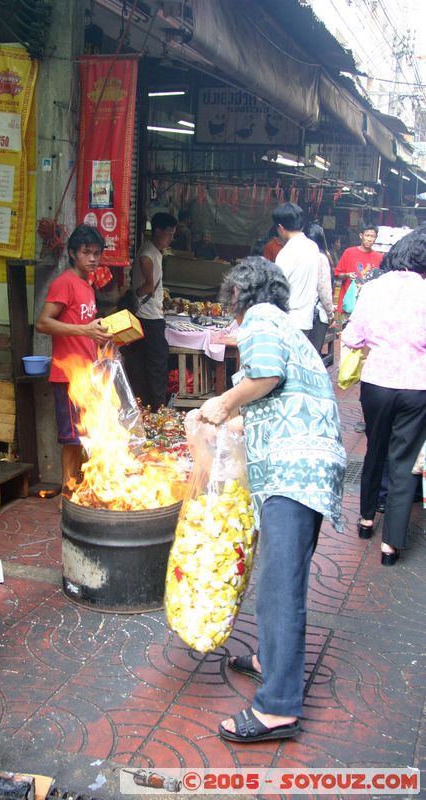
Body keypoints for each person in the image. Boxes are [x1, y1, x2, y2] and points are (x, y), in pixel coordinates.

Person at [198, 257, 345, 744]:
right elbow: (271, 401)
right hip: (306, 465)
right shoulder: (285, 324)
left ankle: (278, 708)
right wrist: (226, 426)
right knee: (279, 577)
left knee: (280, 586)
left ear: (238, 295)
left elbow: (265, 379)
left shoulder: (260, 319)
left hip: (295, 470)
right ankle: (268, 659)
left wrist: (220, 405)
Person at [341, 224, 426, 566]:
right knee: (404, 461)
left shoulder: (372, 288)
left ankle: (365, 521)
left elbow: (351, 338)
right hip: (417, 387)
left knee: (375, 449)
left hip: (376, 385)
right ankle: (390, 546)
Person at [36, 224, 112, 490]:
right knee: (71, 438)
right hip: (68, 376)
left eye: (96, 253)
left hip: (87, 373)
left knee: (86, 433)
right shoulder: (64, 283)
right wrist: (85, 329)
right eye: (86, 252)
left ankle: (79, 487)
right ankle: (67, 494)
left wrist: (100, 335)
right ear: (72, 253)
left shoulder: (87, 286)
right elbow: (43, 323)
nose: (92, 258)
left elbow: (84, 327)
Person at [124, 212, 177, 411]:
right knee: (157, 364)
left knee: (141, 362)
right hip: (150, 317)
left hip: (147, 315)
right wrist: (145, 287)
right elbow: (147, 273)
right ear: (157, 231)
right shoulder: (148, 251)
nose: (171, 238)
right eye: (169, 234)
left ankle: (144, 405)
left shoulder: (154, 250)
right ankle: (157, 407)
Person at [272, 202, 320, 335]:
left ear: (281, 228)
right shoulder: (312, 247)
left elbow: (277, 289)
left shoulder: (286, 252)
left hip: (287, 321)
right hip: (306, 321)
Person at [334, 224, 382, 315]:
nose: (370, 239)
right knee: (341, 328)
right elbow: (337, 275)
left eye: (373, 236)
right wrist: (346, 275)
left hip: (367, 308)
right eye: (367, 235)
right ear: (361, 236)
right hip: (346, 306)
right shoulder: (349, 252)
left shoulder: (379, 258)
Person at [304, 222, 334, 354]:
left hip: (297, 312)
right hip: (316, 313)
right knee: (312, 355)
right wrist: (330, 314)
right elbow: (324, 289)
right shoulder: (321, 257)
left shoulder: (293, 254)